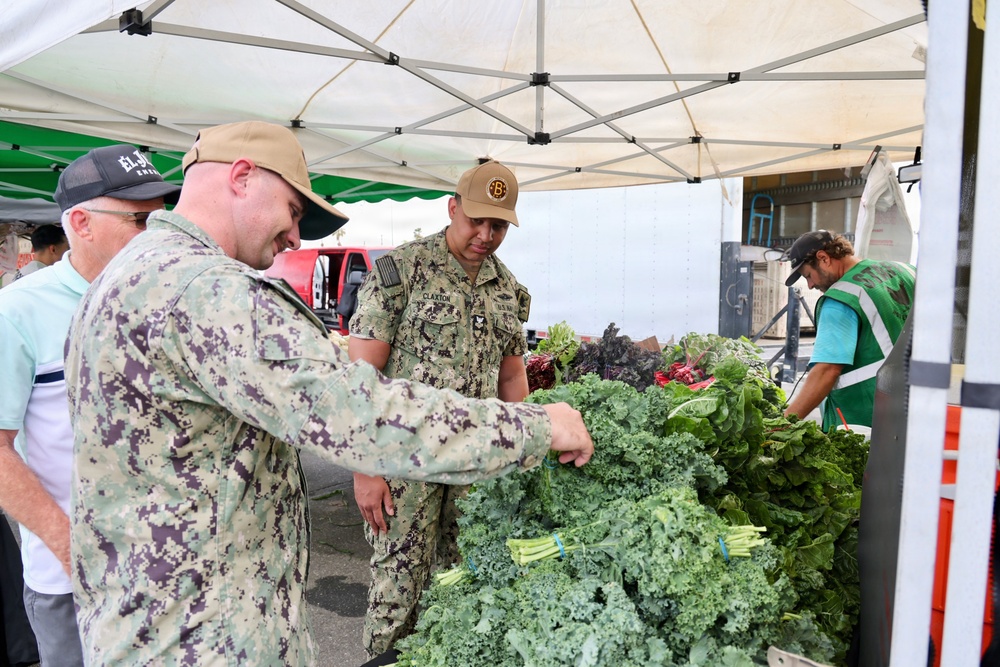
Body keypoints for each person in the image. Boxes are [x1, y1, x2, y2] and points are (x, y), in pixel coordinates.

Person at [63, 121, 593, 666]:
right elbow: (360, 412)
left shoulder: (132, 272)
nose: (296, 238)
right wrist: (538, 427)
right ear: (242, 177)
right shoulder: (207, 291)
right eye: (294, 211)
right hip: (205, 639)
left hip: (161, 620)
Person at [0, 144, 180, 667]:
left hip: (166, 568)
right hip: (72, 580)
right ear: (80, 222)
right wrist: (69, 547)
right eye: (140, 220)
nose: (157, 233)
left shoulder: (163, 293)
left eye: (162, 217)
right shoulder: (19, 312)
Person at [349, 160, 530, 657]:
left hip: (476, 466)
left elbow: (512, 377)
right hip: (405, 463)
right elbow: (360, 379)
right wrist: (365, 468)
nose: (486, 235)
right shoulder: (401, 271)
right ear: (452, 208)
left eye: (498, 225)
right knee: (398, 589)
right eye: (476, 220)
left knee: (460, 585)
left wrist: (525, 457)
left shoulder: (509, 291)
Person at [783, 229, 915, 431]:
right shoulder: (903, 270)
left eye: (808, 275)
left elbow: (826, 370)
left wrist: (783, 423)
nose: (810, 285)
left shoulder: (841, 299)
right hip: (915, 406)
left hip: (866, 420)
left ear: (823, 258)